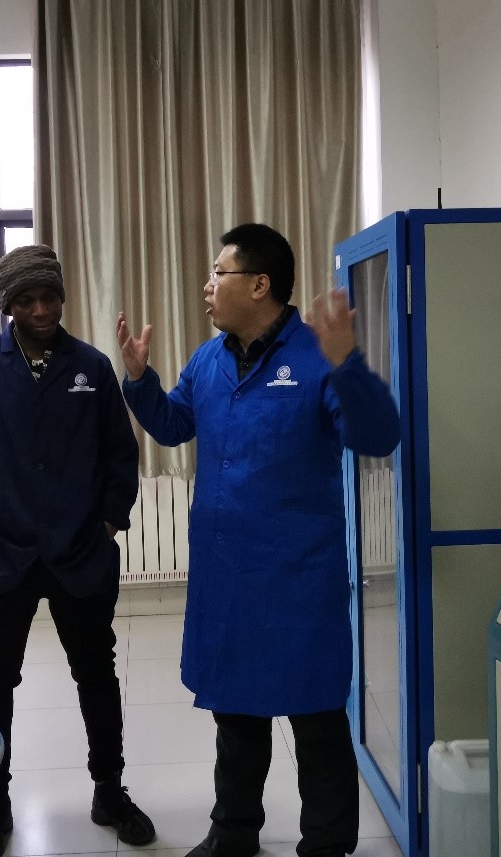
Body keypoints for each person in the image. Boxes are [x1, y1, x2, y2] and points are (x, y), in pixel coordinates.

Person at [117, 224, 401, 857]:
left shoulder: (315, 356)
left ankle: (326, 846)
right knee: (237, 718)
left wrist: (348, 365)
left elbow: (380, 436)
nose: (208, 286)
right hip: (227, 578)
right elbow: (174, 425)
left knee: (317, 721)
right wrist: (139, 380)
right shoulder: (208, 359)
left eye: (219, 273)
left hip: (299, 581)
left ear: (259, 284)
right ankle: (234, 833)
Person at [0, 244, 156, 857]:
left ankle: (109, 791)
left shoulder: (90, 366)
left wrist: (108, 523)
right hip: (2, 554)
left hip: (80, 551)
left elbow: (119, 454)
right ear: (7, 304)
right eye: (26, 300)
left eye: (50, 297)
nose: (40, 310)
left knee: (96, 674)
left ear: (62, 297)